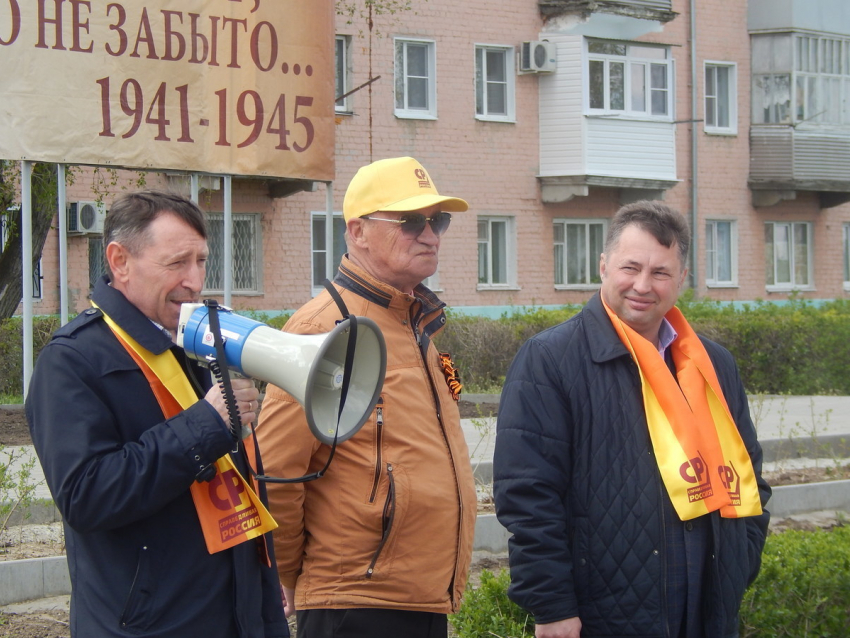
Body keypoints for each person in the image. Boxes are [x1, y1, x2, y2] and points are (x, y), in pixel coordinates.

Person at [493, 201, 771, 638]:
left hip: (709, 608)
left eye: (660, 273)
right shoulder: (550, 360)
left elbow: (750, 472)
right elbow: (528, 497)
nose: (642, 285)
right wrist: (552, 606)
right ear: (604, 266)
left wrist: (740, 561)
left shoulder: (713, 363)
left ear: (681, 279)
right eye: (630, 267)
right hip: (606, 612)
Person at [26, 190, 288, 638]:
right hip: (149, 624)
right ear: (120, 261)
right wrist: (206, 425)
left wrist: (263, 599)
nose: (194, 280)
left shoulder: (193, 343)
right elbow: (86, 495)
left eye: (202, 261)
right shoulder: (71, 360)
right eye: (177, 263)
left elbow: (233, 485)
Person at [255, 156, 477, 638]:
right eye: (411, 221)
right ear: (357, 232)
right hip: (354, 604)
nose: (430, 234)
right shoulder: (324, 328)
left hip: (417, 600)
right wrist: (291, 576)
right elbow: (276, 470)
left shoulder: (413, 321)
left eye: (437, 220)